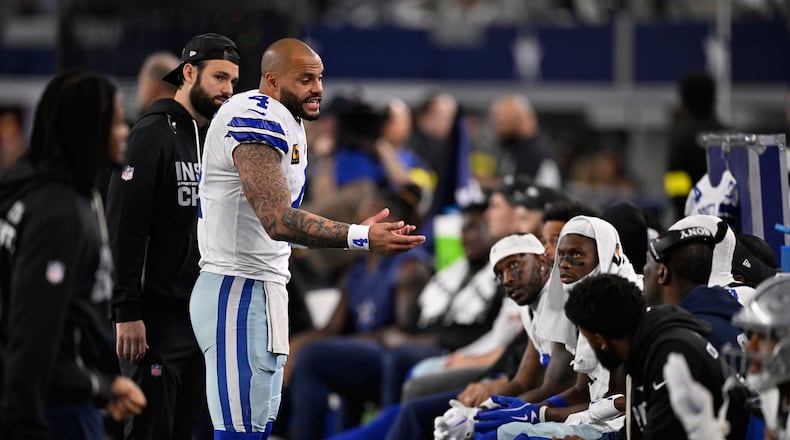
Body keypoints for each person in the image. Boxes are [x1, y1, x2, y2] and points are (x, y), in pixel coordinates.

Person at [190, 37, 426, 438]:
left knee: (259, 427)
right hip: (237, 289)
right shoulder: (254, 116)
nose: (317, 88)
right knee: (239, 432)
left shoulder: (288, 120)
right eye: (305, 79)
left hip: (264, 287)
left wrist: (355, 231)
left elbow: (282, 230)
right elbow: (278, 221)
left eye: (319, 78)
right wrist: (360, 236)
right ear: (271, 80)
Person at [106, 33, 240, 440]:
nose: (228, 90)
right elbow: (124, 227)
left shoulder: (215, 141)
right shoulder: (151, 134)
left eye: (233, 81)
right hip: (154, 321)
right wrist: (126, 312)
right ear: (189, 73)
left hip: (200, 319)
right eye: (219, 77)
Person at [0, 71, 146, 439]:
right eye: (115, 122)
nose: (125, 131)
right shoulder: (60, 213)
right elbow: (34, 334)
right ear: (88, 129)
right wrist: (91, 386)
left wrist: (103, 386)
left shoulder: (23, 185)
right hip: (49, 412)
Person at [564, 273, 750, 440]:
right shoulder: (645, 350)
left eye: (588, 339)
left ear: (601, 340)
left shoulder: (672, 358)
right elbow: (634, 433)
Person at [665, 70, 727, 220]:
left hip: (690, 219)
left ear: (684, 99)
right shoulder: (727, 136)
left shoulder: (681, 138)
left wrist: (683, 213)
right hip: (725, 218)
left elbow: (675, 182)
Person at [489, 94, 561, 189]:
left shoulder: (539, 154)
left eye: (501, 117)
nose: (496, 123)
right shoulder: (509, 147)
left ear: (520, 117)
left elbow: (549, 193)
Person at [135, 51, 180, 117]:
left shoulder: (151, 120)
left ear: (152, 86)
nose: (139, 91)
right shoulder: (187, 116)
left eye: (142, 83)